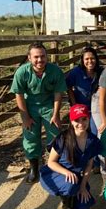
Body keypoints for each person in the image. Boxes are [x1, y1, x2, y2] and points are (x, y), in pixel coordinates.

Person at [39, 104, 100, 209]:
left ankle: (73, 196)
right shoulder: (63, 138)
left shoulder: (92, 140)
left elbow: (89, 165)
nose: (80, 123)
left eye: (84, 119)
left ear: (88, 119)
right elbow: (51, 162)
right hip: (56, 172)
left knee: (84, 206)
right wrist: (66, 172)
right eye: (76, 120)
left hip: (75, 176)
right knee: (70, 185)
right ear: (71, 121)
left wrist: (83, 187)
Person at [10, 42, 67, 184]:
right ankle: (34, 169)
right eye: (36, 57)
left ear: (47, 57)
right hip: (30, 106)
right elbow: (19, 95)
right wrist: (25, 117)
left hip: (49, 105)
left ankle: (54, 166)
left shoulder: (55, 71)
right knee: (30, 137)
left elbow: (58, 93)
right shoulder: (22, 72)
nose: (40, 60)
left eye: (42, 56)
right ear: (29, 58)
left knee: (55, 134)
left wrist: (55, 114)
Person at [66, 46, 103, 135]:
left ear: (96, 59)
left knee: (96, 132)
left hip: (97, 108)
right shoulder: (76, 72)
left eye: (92, 58)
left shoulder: (101, 72)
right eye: (87, 59)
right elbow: (68, 86)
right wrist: (74, 104)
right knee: (80, 132)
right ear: (82, 60)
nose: (90, 61)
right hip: (80, 107)